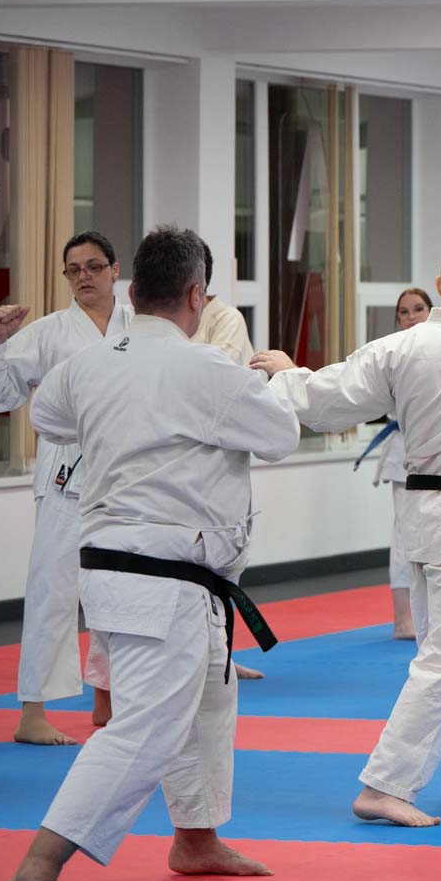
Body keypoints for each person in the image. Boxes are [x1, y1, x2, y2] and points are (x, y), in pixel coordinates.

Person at [0, 225, 299, 881]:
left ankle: (196, 839)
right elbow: (280, 437)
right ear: (197, 295)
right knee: (143, 728)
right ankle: (34, 874)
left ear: (133, 292)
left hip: (134, 572)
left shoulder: (89, 364)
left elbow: (49, 416)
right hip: (159, 580)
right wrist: (281, 377)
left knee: (208, 701)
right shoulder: (207, 370)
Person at [255, 237, 441, 827]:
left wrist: (289, 375)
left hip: (423, 513)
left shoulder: (398, 346)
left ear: (440, 285)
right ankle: (385, 783)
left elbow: (327, 403)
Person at [0, 231, 131, 743]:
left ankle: (107, 698)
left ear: (114, 270)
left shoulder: (139, 327)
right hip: (65, 475)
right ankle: (32, 713)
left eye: (94, 266)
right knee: (53, 590)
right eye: (73, 269)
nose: (84, 276)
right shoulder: (50, 331)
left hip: (128, 474)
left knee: (121, 587)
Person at [184, 239, 267, 684]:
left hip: (219, 456)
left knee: (223, 561)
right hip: (183, 456)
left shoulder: (225, 318)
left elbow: (222, 372)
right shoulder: (163, 322)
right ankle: (201, 655)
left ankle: (221, 653)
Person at [358, 287, 433, 640]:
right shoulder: (391, 352)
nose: (412, 316)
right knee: (405, 537)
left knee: (433, 537)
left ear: (432, 312)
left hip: (437, 453)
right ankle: (402, 618)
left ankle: (427, 613)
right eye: (405, 312)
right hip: (405, 452)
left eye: (419, 309)